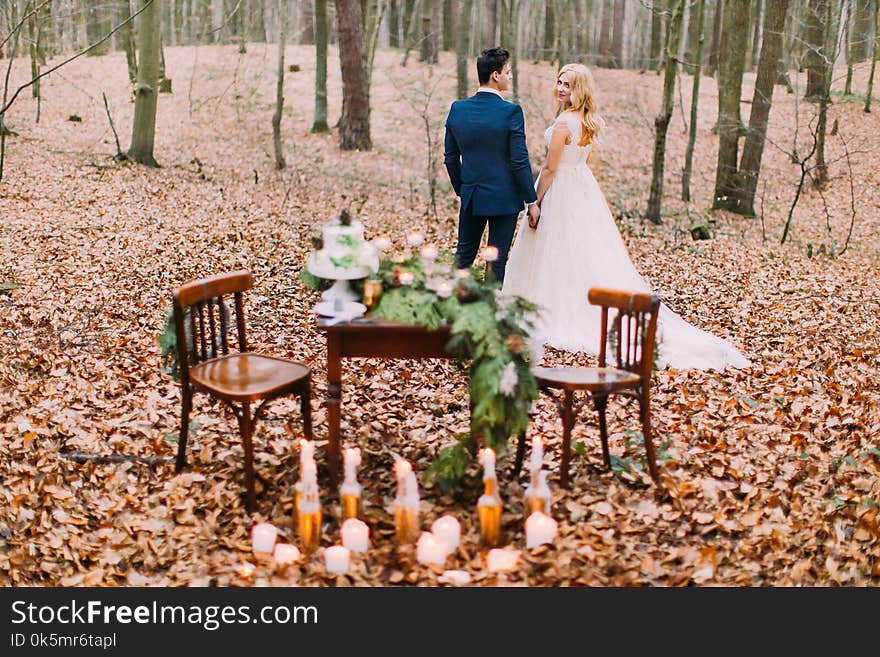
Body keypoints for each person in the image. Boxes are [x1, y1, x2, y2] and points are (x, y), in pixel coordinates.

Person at [502, 63, 749, 370]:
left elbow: (551, 168)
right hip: (581, 187)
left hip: (561, 188)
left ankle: (551, 308)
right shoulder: (587, 121)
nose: (560, 88)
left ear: (578, 90)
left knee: (554, 249)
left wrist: (535, 202)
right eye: (559, 82)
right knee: (576, 252)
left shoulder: (565, 123)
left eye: (567, 84)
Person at [443, 47, 541, 283]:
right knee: (496, 263)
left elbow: (450, 158)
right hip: (504, 199)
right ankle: (491, 313)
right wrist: (531, 200)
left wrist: (463, 189)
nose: (510, 76)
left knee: (463, 257)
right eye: (507, 71)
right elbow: (519, 160)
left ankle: (453, 307)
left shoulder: (458, 109)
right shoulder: (511, 112)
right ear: (495, 75)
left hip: (472, 196)